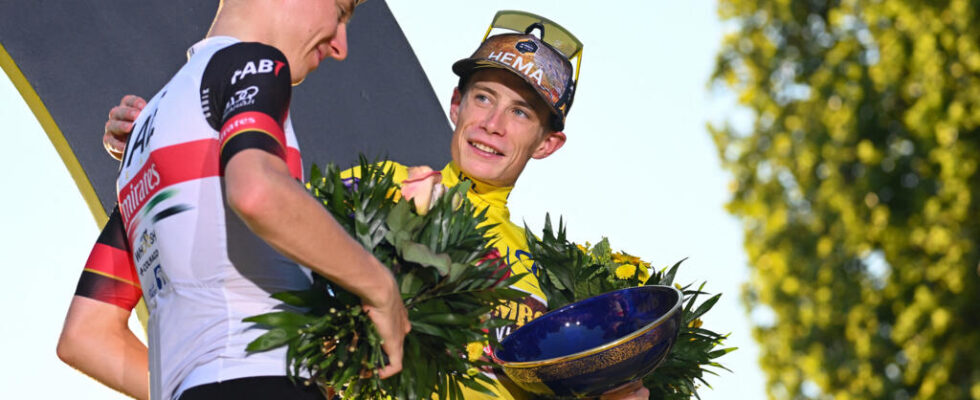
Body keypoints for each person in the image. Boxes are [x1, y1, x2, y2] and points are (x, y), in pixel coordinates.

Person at [90, 11, 648, 400]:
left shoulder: (561, 284)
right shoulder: (373, 192)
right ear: (456, 103)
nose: (493, 125)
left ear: (547, 143)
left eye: (522, 113)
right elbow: (242, 212)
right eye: (483, 97)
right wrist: (160, 143)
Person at [56, 1, 411, 399]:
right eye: (341, 9)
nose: (341, 44)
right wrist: (379, 286)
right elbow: (257, 192)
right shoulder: (254, 63)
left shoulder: (148, 129)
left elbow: (87, 333)